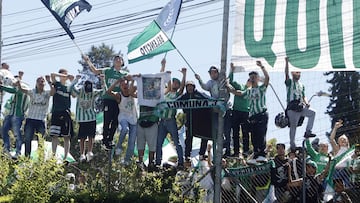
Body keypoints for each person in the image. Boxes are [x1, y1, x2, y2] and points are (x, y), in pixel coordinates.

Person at [227, 61, 269, 164]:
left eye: (254, 76)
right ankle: (255, 155)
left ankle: (262, 154)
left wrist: (262, 67)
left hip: (261, 114)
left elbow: (267, 79)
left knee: (261, 134)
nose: (252, 78)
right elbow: (239, 93)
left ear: (258, 78)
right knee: (253, 136)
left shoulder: (261, 89)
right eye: (251, 77)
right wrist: (229, 88)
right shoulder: (249, 91)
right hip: (253, 116)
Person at [85, 55, 129, 150]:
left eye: (119, 59)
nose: (117, 60)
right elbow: (95, 71)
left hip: (118, 100)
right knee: (107, 120)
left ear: (122, 62)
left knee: (116, 120)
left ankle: (110, 139)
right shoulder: (108, 71)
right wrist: (88, 61)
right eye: (115, 59)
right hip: (108, 99)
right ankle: (105, 139)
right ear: (113, 62)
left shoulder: (125, 74)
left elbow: (131, 81)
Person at [195, 65, 232, 158]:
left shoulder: (223, 80)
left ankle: (227, 149)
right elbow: (204, 87)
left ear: (218, 72)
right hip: (215, 110)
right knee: (216, 127)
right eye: (211, 72)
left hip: (226, 108)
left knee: (227, 130)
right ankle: (220, 148)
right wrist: (199, 79)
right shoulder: (210, 83)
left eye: (214, 72)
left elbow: (229, 91)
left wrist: (231, 71)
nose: (213, 74)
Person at [156, 59, 185, 169]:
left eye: (177, 83)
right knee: (159, 143)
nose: (175, 84)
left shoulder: (177, 95)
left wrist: (184, 75)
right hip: (162, 120)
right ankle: (157, 162)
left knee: (176, 142)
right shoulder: (165, 91)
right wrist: (163, 65)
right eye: (174, 82)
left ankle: (181, 161)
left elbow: (182, 88)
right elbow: (161, 79)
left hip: (171, 120)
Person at [284, 57, 316, 151]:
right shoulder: (290, 82)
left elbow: (303, 95)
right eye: (296, 72)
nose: (298, 74)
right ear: (293, 73)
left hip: (300, 106)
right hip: (292, 106)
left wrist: (307, 103)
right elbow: (286, 74)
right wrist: (286, 63)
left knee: (312, 113)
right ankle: (292, 144)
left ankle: (308, 131)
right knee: (293, 125)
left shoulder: (301, 85)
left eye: (299, 72)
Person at [17, 76, 52, 158]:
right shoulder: (32, 92)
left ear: (44, 84)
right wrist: (19, 82)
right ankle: (27, 158)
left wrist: (49, 81)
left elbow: (53, 92)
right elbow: (22, 89)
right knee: (28, 139)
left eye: (43, 81)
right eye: (39, 81)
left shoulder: (47, 93)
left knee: (41, 140)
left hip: (41, 120)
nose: (41, 82)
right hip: (30, 119)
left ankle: (40, 159)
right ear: (36, 83)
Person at [71, 75, 104, 162]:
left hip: (91, 117)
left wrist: (103, 80)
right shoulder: (79, 92)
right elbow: (71, 88)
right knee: (82, 137)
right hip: (82, 118)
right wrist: (76, 79)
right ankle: (82, 154)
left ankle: (89, 151)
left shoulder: (93, 92)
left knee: (91, 136)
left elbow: (104, 91)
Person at [178, 80, 211, 164]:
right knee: (189, 137)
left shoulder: (199, 94)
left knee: (205, 136)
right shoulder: (185, 96)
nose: (189, 88)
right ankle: (187, 156)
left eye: (191, 86)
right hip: (190, 120)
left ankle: (202, 154)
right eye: (188, 86)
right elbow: (176, 102)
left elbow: (209, 100)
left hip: (201, 119)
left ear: (194, 87)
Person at [107, 77, 137, 165]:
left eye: (126, 84)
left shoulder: (133, 93)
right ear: (120, 87)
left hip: (133, 118)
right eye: (122, 85)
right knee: (125, 129)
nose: (125, 86)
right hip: (123, 117)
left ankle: (127, 160)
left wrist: (133, 79)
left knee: (132, 142)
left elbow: (138, 86)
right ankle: (119, 146)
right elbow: (108, 92)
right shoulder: (119, 95)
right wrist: (116, 81)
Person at [0, 75, 29, 158]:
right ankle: (6, 149)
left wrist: (2, 87)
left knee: (17, 133)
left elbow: (15, 90)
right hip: (11, 114)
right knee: (4, 130)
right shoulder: (15, 92)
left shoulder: (24, 87)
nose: (13, 83)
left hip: (18, 115)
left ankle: (18, 152)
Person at [49, 69, 75, 162]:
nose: (65, 76)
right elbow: (52, 74)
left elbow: (74, 95)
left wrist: (72, 81)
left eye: (66, 74)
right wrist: (62, 75)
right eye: (63, 74)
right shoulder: (57, 84)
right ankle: (53, 156)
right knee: (54, 135)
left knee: (66, 136)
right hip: (56, 112)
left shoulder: (69, 86)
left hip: (66, 112)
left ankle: (66, 156)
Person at [228, 62, 250, 157]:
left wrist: (233, 91)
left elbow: (240, 93)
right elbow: (231, 81)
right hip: (236, 111)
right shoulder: (241, 85)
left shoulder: (252, 91)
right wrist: (232, 70)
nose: (250, 83)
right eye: (249, 81)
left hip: (246, 112)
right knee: (235, 133)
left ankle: (246, 150)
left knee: (245, 132)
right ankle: (236, 151)